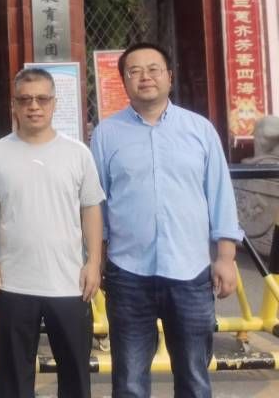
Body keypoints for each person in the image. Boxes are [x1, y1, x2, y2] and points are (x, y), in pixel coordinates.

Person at [91, 42, 242, 398]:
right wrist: (96, 259)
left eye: (153, 69)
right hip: (128, 274)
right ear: (124, 81)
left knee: (193, 377)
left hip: (190, 272)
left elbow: (220, 194)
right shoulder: (106, 134)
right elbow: (97, 203)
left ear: (169, 77)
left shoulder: (200, 130)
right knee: (129, 381)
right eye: (134, 71)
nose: (145, 77)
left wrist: (225, 257)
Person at [0, 67, 104, 398]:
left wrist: (94, 263)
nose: (33, 106)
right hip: (14, 281)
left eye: (41, 99)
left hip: (69, 281)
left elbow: (91, 209)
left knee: (75, 374)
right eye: (25, 99)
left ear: (54, 103)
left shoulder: (78, 153)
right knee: (14, 378)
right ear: (14, 105)